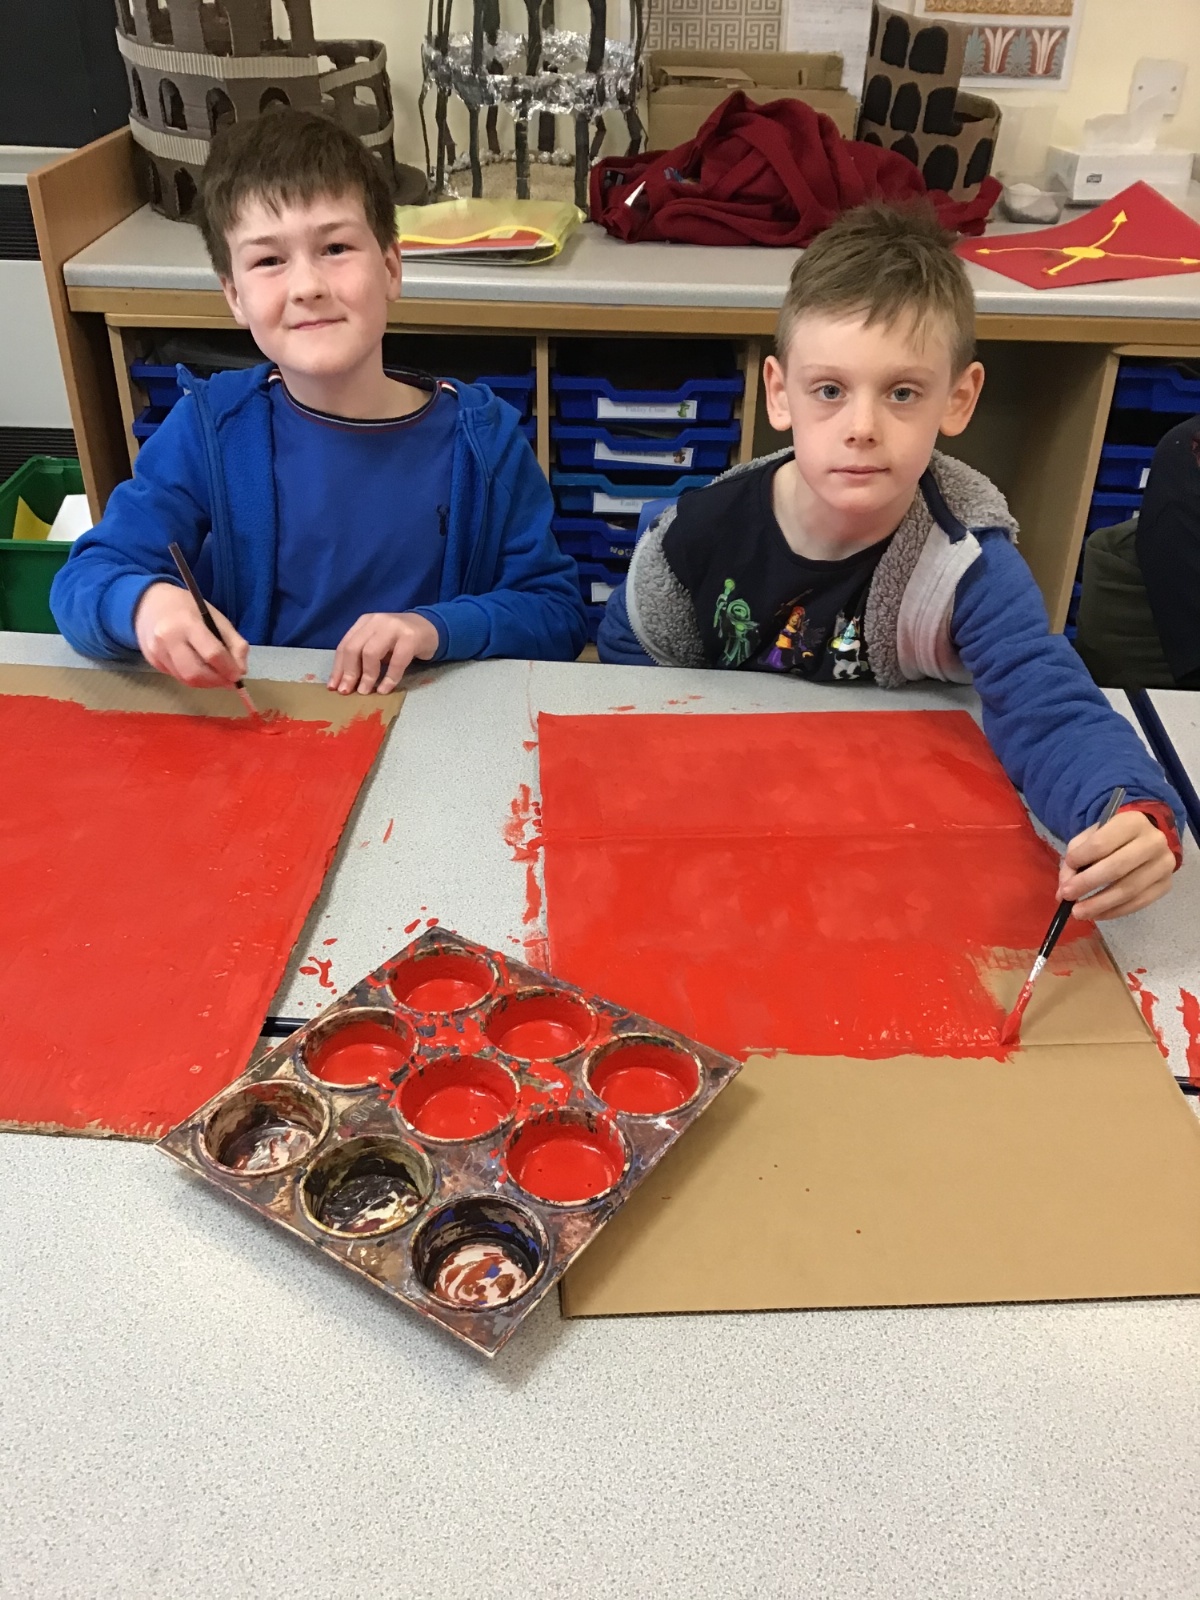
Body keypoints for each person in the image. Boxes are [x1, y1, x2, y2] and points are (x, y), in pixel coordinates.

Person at [599, 203, 1184, 922]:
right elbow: (626, 680)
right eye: (830, 390)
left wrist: (1125, 806)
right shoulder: (693, 541)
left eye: (902, 393)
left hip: (887, 845)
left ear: (958, 399)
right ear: (780, 393)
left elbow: (1044, 703)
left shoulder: (967, 568)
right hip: (722, 828)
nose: (862, 428)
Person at [51, 109, 586, 695]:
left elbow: (556, 614)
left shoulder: (484, 440)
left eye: (334, 247)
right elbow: (86, 577)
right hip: (266, 720)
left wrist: (437, 628)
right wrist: (146, 605)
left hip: (427, 721)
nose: (307, 286)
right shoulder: (211, 429)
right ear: (234, 296)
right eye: (268, 260)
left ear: (390, 268)